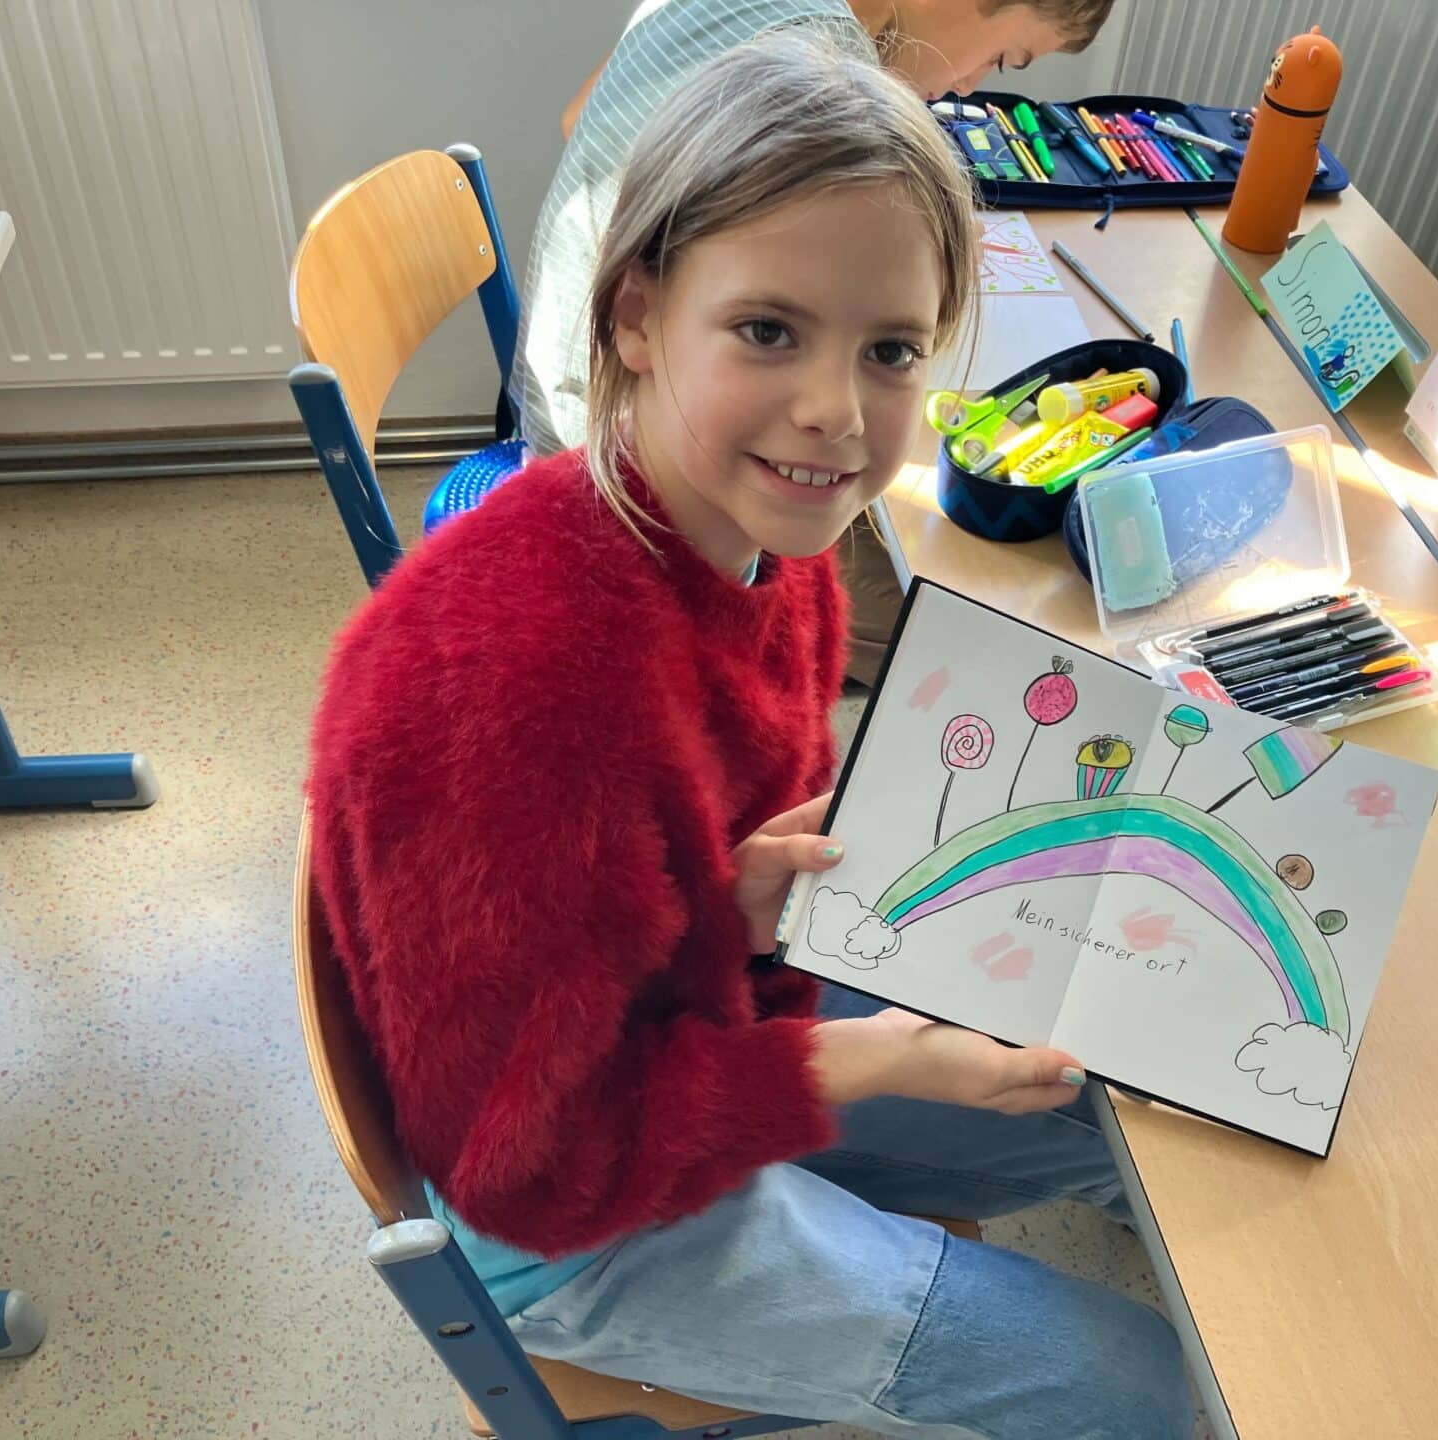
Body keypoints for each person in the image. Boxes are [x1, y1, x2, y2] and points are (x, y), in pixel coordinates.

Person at [309, 36, 1189, 1438]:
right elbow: (530, 1170)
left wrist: (735, 909)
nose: (837, 413)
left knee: (1138, 1101)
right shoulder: (525, 690)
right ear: (638, 316)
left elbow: (651, 901)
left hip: (691, 1026)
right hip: (582, 1222)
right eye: (769, 331)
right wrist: (870, 1060)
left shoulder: (769, 546)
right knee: (1148, 1395)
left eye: (890, 350)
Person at [516, 0, 1119, 684]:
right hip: (604, 448)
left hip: (586, 408)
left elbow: (578, 117)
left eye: (893, 350)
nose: (968, 86)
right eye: (1003, 58)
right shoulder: (814, 65)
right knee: (990, 626)